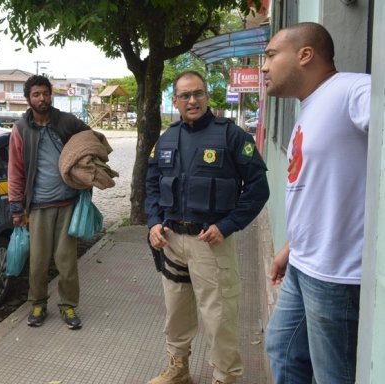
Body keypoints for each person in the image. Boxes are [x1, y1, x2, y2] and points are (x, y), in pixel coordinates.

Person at [145, 70, 269, 384]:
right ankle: (179, 369)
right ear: (175, 101)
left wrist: (227, 225)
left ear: (207, 96)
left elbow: (258, 187)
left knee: (219, 317)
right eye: (185, 95)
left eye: (197, 93)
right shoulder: (166, 139)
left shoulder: (231, 136)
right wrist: (153, 223)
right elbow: (152, 185)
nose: (192, 100)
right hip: (172, 241)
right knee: (177, 313)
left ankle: (225, 377)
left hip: (209, 243)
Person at [263, 22, 370, 384]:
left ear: (305, 54)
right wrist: (292, 247)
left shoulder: (353, 89)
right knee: (283, 349)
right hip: (304, 265)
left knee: (332, 376)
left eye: (271, 55)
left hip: (337, 276)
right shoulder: (310, 106)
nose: (264, 67)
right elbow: (322, 190)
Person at [8, 75, 91, 329]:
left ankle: (68, 306)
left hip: (67, 203)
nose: (42, 98)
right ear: (28, 98)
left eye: (45, 93)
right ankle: (38, 303)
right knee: (38, 261)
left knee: (66, 261)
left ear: (50, 95)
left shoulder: (66, 122)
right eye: (36, 94)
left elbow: (90, 140)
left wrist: (85, 169)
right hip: (38, 205)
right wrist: (16, 207)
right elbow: (15, 170)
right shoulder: (21, 129)